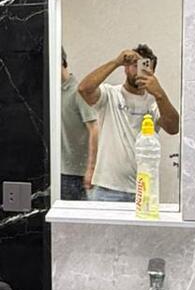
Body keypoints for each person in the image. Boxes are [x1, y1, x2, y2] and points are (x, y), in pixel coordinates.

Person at [77, 43, 180, 202]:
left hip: (142, 190)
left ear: (152, 72)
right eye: (134, 65)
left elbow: (173, 128)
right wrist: (116, 62)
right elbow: (84, 89)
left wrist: (159, 94)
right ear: (125, 68)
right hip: (106, 189)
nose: (138, 71)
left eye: (144, 66)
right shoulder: (110, 94)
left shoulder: (155, 102)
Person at [60, 48, 98, 200]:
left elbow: (94, 129)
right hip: (56, 170)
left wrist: (91, 168)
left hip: (76, 174)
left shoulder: (77, 91)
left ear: (61, 61)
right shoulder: (51, 92)